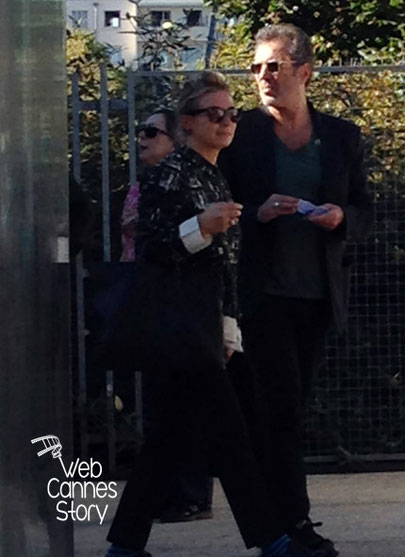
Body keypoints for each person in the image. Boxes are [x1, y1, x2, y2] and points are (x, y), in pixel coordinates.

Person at [106, 71, 310, 557]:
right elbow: (151, 251)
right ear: (187, 123)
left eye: (231, 113)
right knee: (233, 437)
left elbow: (225, 266)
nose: (225, 122)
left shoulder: (213, 173)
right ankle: (274, 540)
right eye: (212, 114)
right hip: (179, 328)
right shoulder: (169, 175)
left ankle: (125, 545)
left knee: (167, 441)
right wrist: (200, 226)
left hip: (202, 326)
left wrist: (228, 327)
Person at [218, 23, 373, 557]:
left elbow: (368, 211)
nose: (263, 77)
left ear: (304, 72)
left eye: (275, 67)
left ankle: (276, 527)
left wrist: (340, 218)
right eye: (256, 67)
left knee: (287, 409)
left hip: (317, 297)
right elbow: (219, 208)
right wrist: (255, 214)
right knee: (279, 410)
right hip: (261, 297)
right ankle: (291, 527)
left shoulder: (342, 137)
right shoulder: (242, 134)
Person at [119, 107, 215, 523]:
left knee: (190, 403)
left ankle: (190, 495)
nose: (142, 139)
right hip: (148, 300)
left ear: (175, 139)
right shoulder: (146, 184)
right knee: (163, 403)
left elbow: (170, 236)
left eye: (151, 132)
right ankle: (165, 496)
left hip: (181, 302)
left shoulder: (188, 182)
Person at [120, 109, 177, 262]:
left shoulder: (184, 185)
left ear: (174, 141)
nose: (142, 135)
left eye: (152, 131)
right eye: (141, 130)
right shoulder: (139, 186)